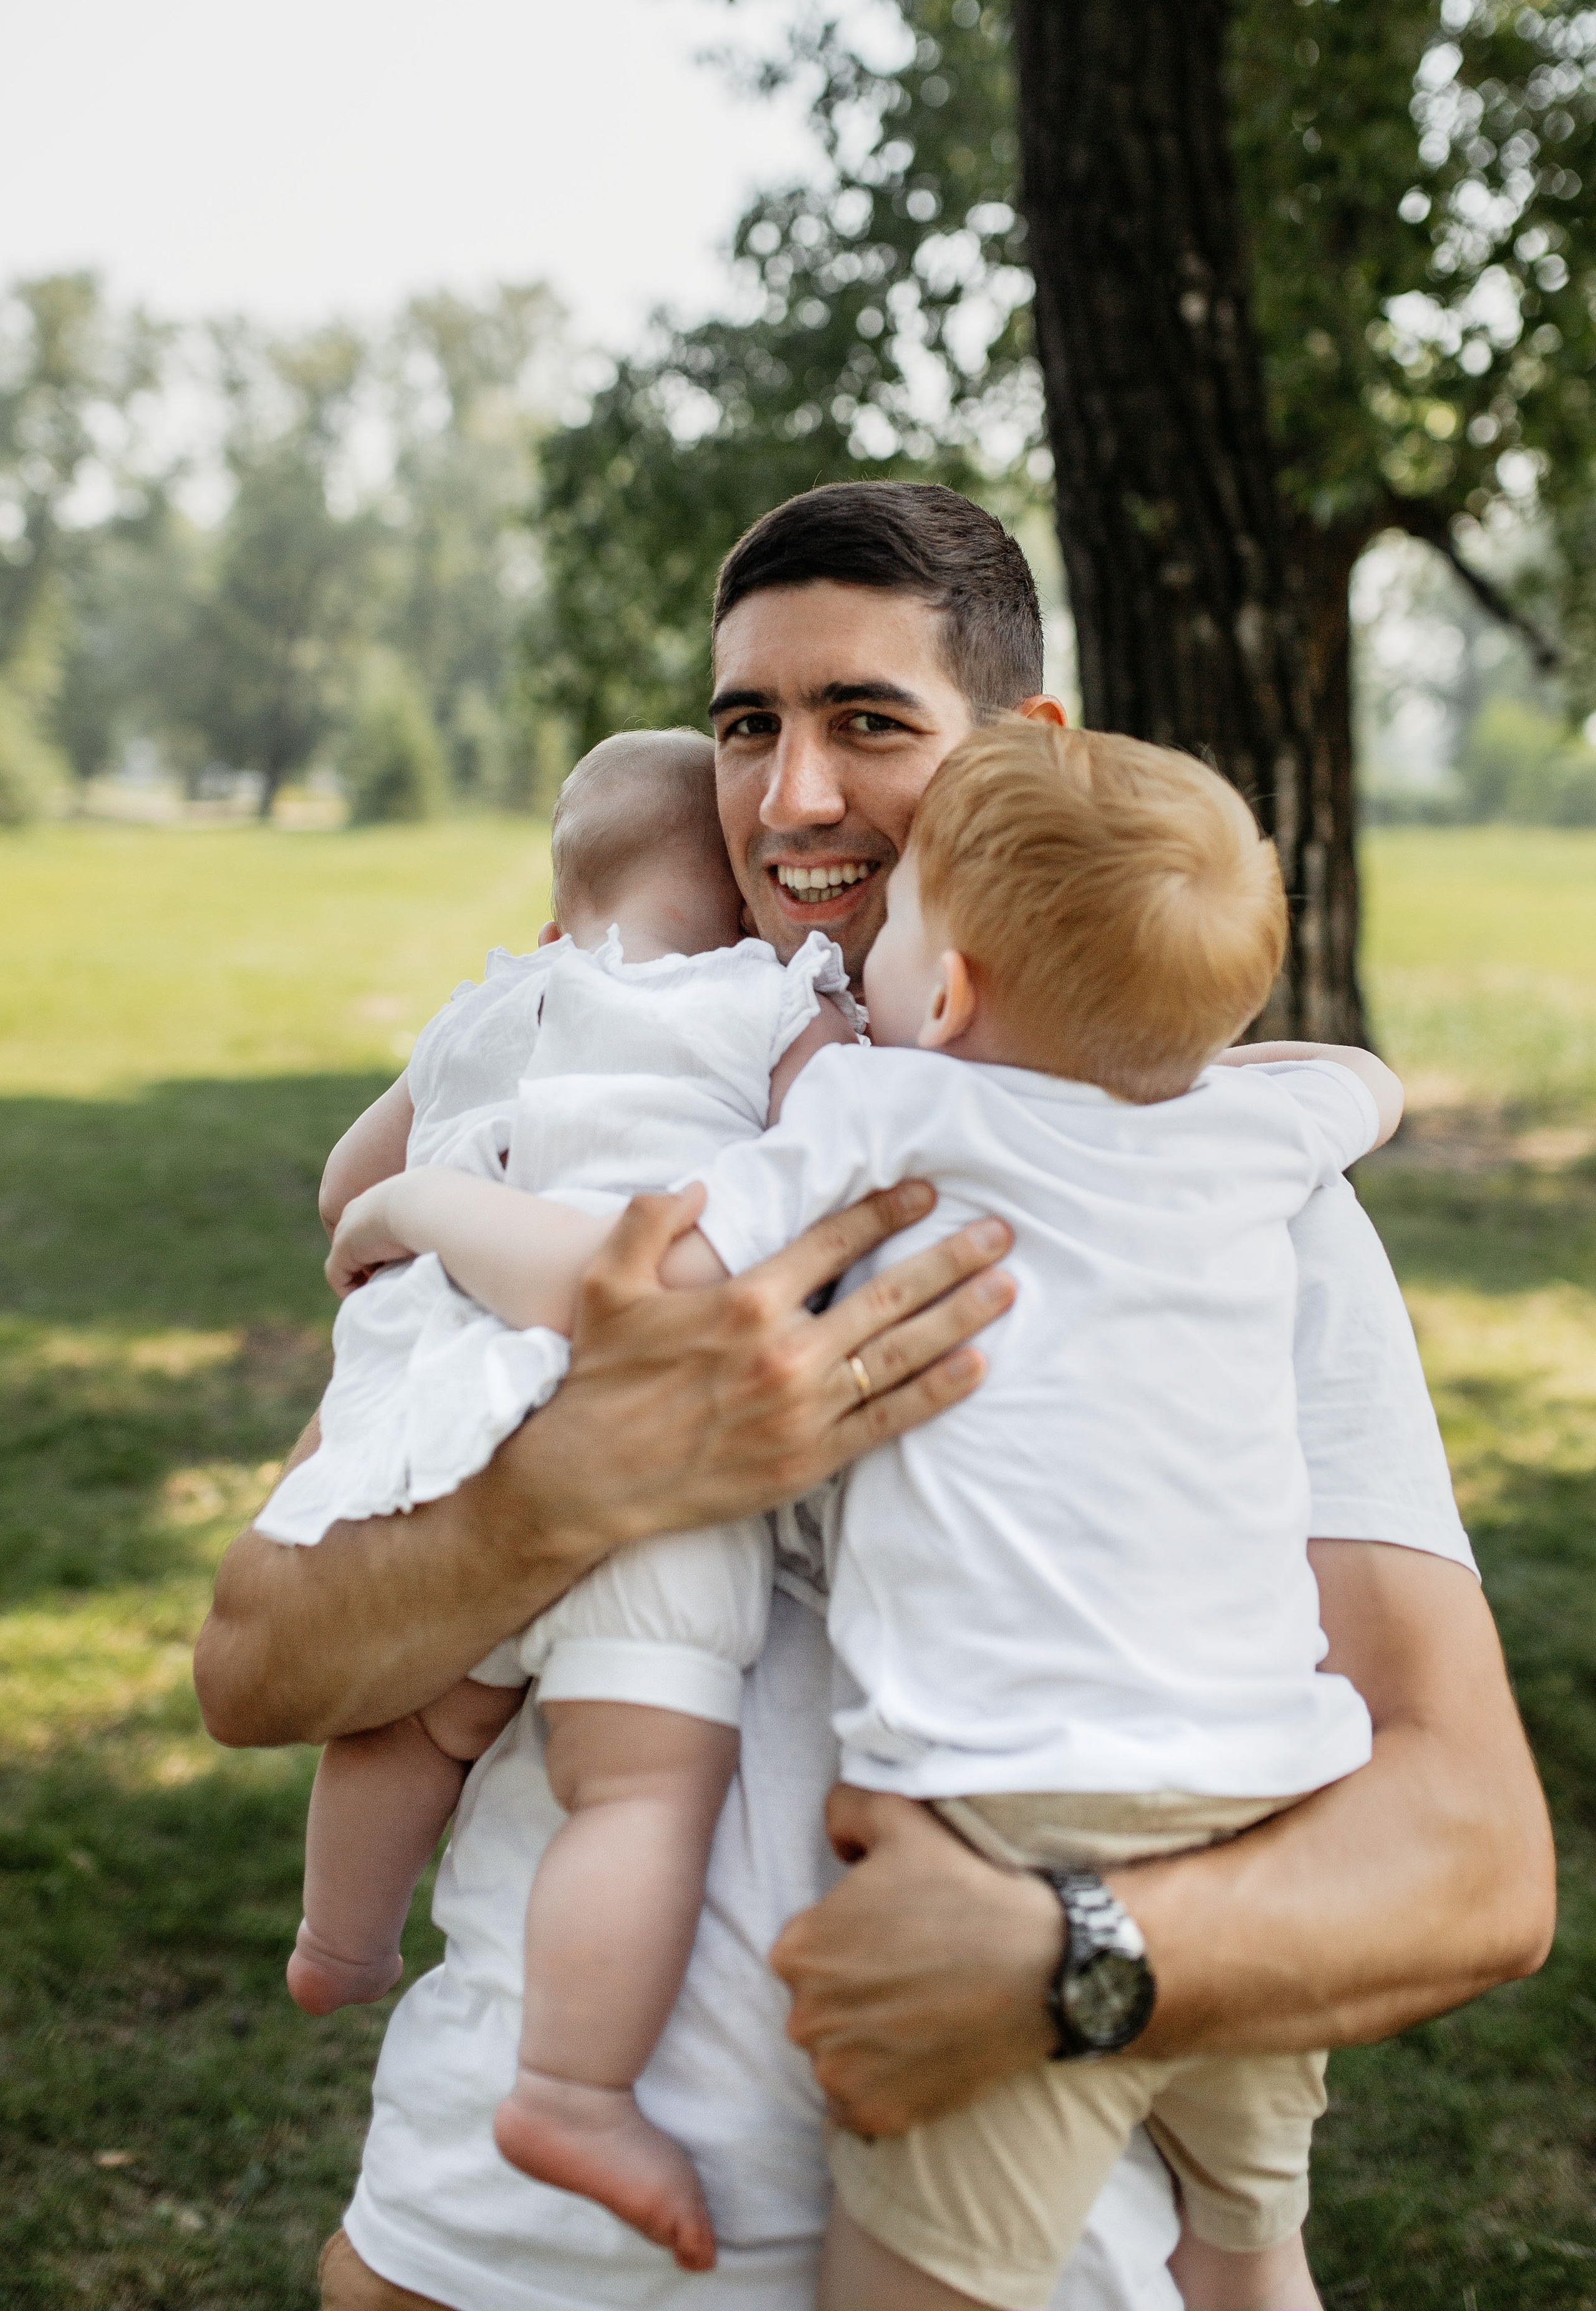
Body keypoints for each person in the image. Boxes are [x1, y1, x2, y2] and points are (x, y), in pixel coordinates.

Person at [193, 484, 1555, 2311]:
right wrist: (581, 1483)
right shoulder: (592, 1126)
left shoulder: (1225, 1210)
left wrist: (1061, 1952)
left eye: (869, 722)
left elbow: (1472, 1855)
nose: (791, 798)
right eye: (747, 725)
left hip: (995, 2226)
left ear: (1027, 755)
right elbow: (258, 1663)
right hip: (502, 2240)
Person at [330, 720, 1410, 2311]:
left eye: (895, 929)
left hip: (1009, 1839)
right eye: (746, 725)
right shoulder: (1252, 1138)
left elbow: (648, 1283)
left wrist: (419, 1203)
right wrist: (1177, 1061)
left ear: (949, 992)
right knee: (1249, 2256)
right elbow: (1354, 1083)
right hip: (1255, 1814)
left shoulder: (893, 1118)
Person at [262, 726, 858, 2277]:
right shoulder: (768, 996)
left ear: (552, 908)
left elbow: (345, 1194)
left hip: (436, 1434)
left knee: (410, 1719)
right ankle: (572, 2091)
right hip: (645, 1444)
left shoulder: (485, 1010)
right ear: (737, 908)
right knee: (640, 1787)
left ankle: (338, 1941)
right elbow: (846, 1131)